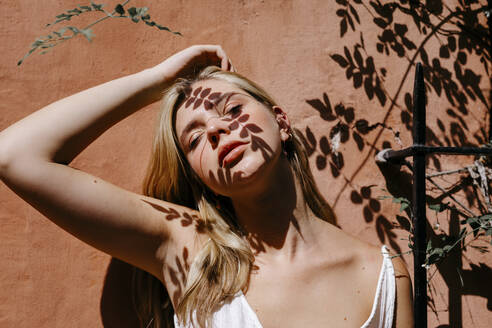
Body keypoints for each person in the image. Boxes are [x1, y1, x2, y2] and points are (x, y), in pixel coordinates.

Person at [0, 45, 413, 328]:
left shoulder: (383, 274)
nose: (216, 129)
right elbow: (15, 155)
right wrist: (157, 79)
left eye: (232, 110)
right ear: (200, 175)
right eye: (194, 139)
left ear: (282, 123)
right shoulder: (189, 247)